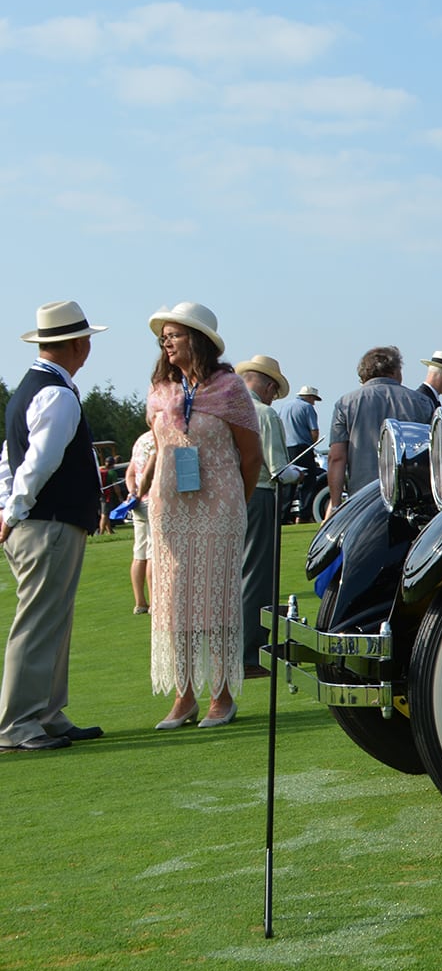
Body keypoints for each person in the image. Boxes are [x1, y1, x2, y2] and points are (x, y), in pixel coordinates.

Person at [141, 302, 261, 730]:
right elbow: (156, 443)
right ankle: (183, 695)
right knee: (173, 602)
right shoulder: (161, 389)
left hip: (220, 507)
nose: (166, 342)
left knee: (215, 599)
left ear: (198, 339)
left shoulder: (229, 388)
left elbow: (251, 457)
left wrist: (236, 504)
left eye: (174, 334)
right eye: (164, 337)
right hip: (171, 508)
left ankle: (221, 696)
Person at [0, 300, 108, 752]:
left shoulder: (30, 388)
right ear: (76, 345)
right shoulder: (58, 394)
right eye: (85, 340)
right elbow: (38, 463)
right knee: (40, 621)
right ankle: (18, 724)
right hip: (48, 523)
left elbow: (10, 459)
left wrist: (7, 507)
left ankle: (46, 713)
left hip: (40, 522)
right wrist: (13, 510)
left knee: (52, 619)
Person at [235, 355, 297, 680]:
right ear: (269, 385)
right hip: (258, 495)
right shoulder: (265, 413)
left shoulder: (226, 410)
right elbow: (280, 470)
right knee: (257, 576)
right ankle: (249, 654)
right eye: (274, 390)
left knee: (236, 574)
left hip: (228, 499)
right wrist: (299, 472)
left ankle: (236, 651)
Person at [325, 346, 431, 512]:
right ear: (395, 370)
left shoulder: (345, 404)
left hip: (363, 497)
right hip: (410, 495)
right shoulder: (421, 402)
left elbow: (337, 457)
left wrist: (335, 505)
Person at [125, 428, 156, 613]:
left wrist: (133, 493)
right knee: (153, 552)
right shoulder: (156, 438)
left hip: (136, 502)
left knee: (139, 552)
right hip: (151, 499)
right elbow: (149, 473)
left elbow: (130, 473)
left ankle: (140, 602)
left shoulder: (140, 439)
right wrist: (142, 491)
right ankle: (154, 602)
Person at [275, 383, 321, 468]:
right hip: (302, 449)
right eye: (314, 400)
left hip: (286, 449)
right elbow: (314, 432)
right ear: (310, 397)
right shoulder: (307, 407)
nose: (313, 403)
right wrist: (311, 447)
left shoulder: (285, 405)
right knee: (309, 476)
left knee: (291, 477)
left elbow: (278, 425)